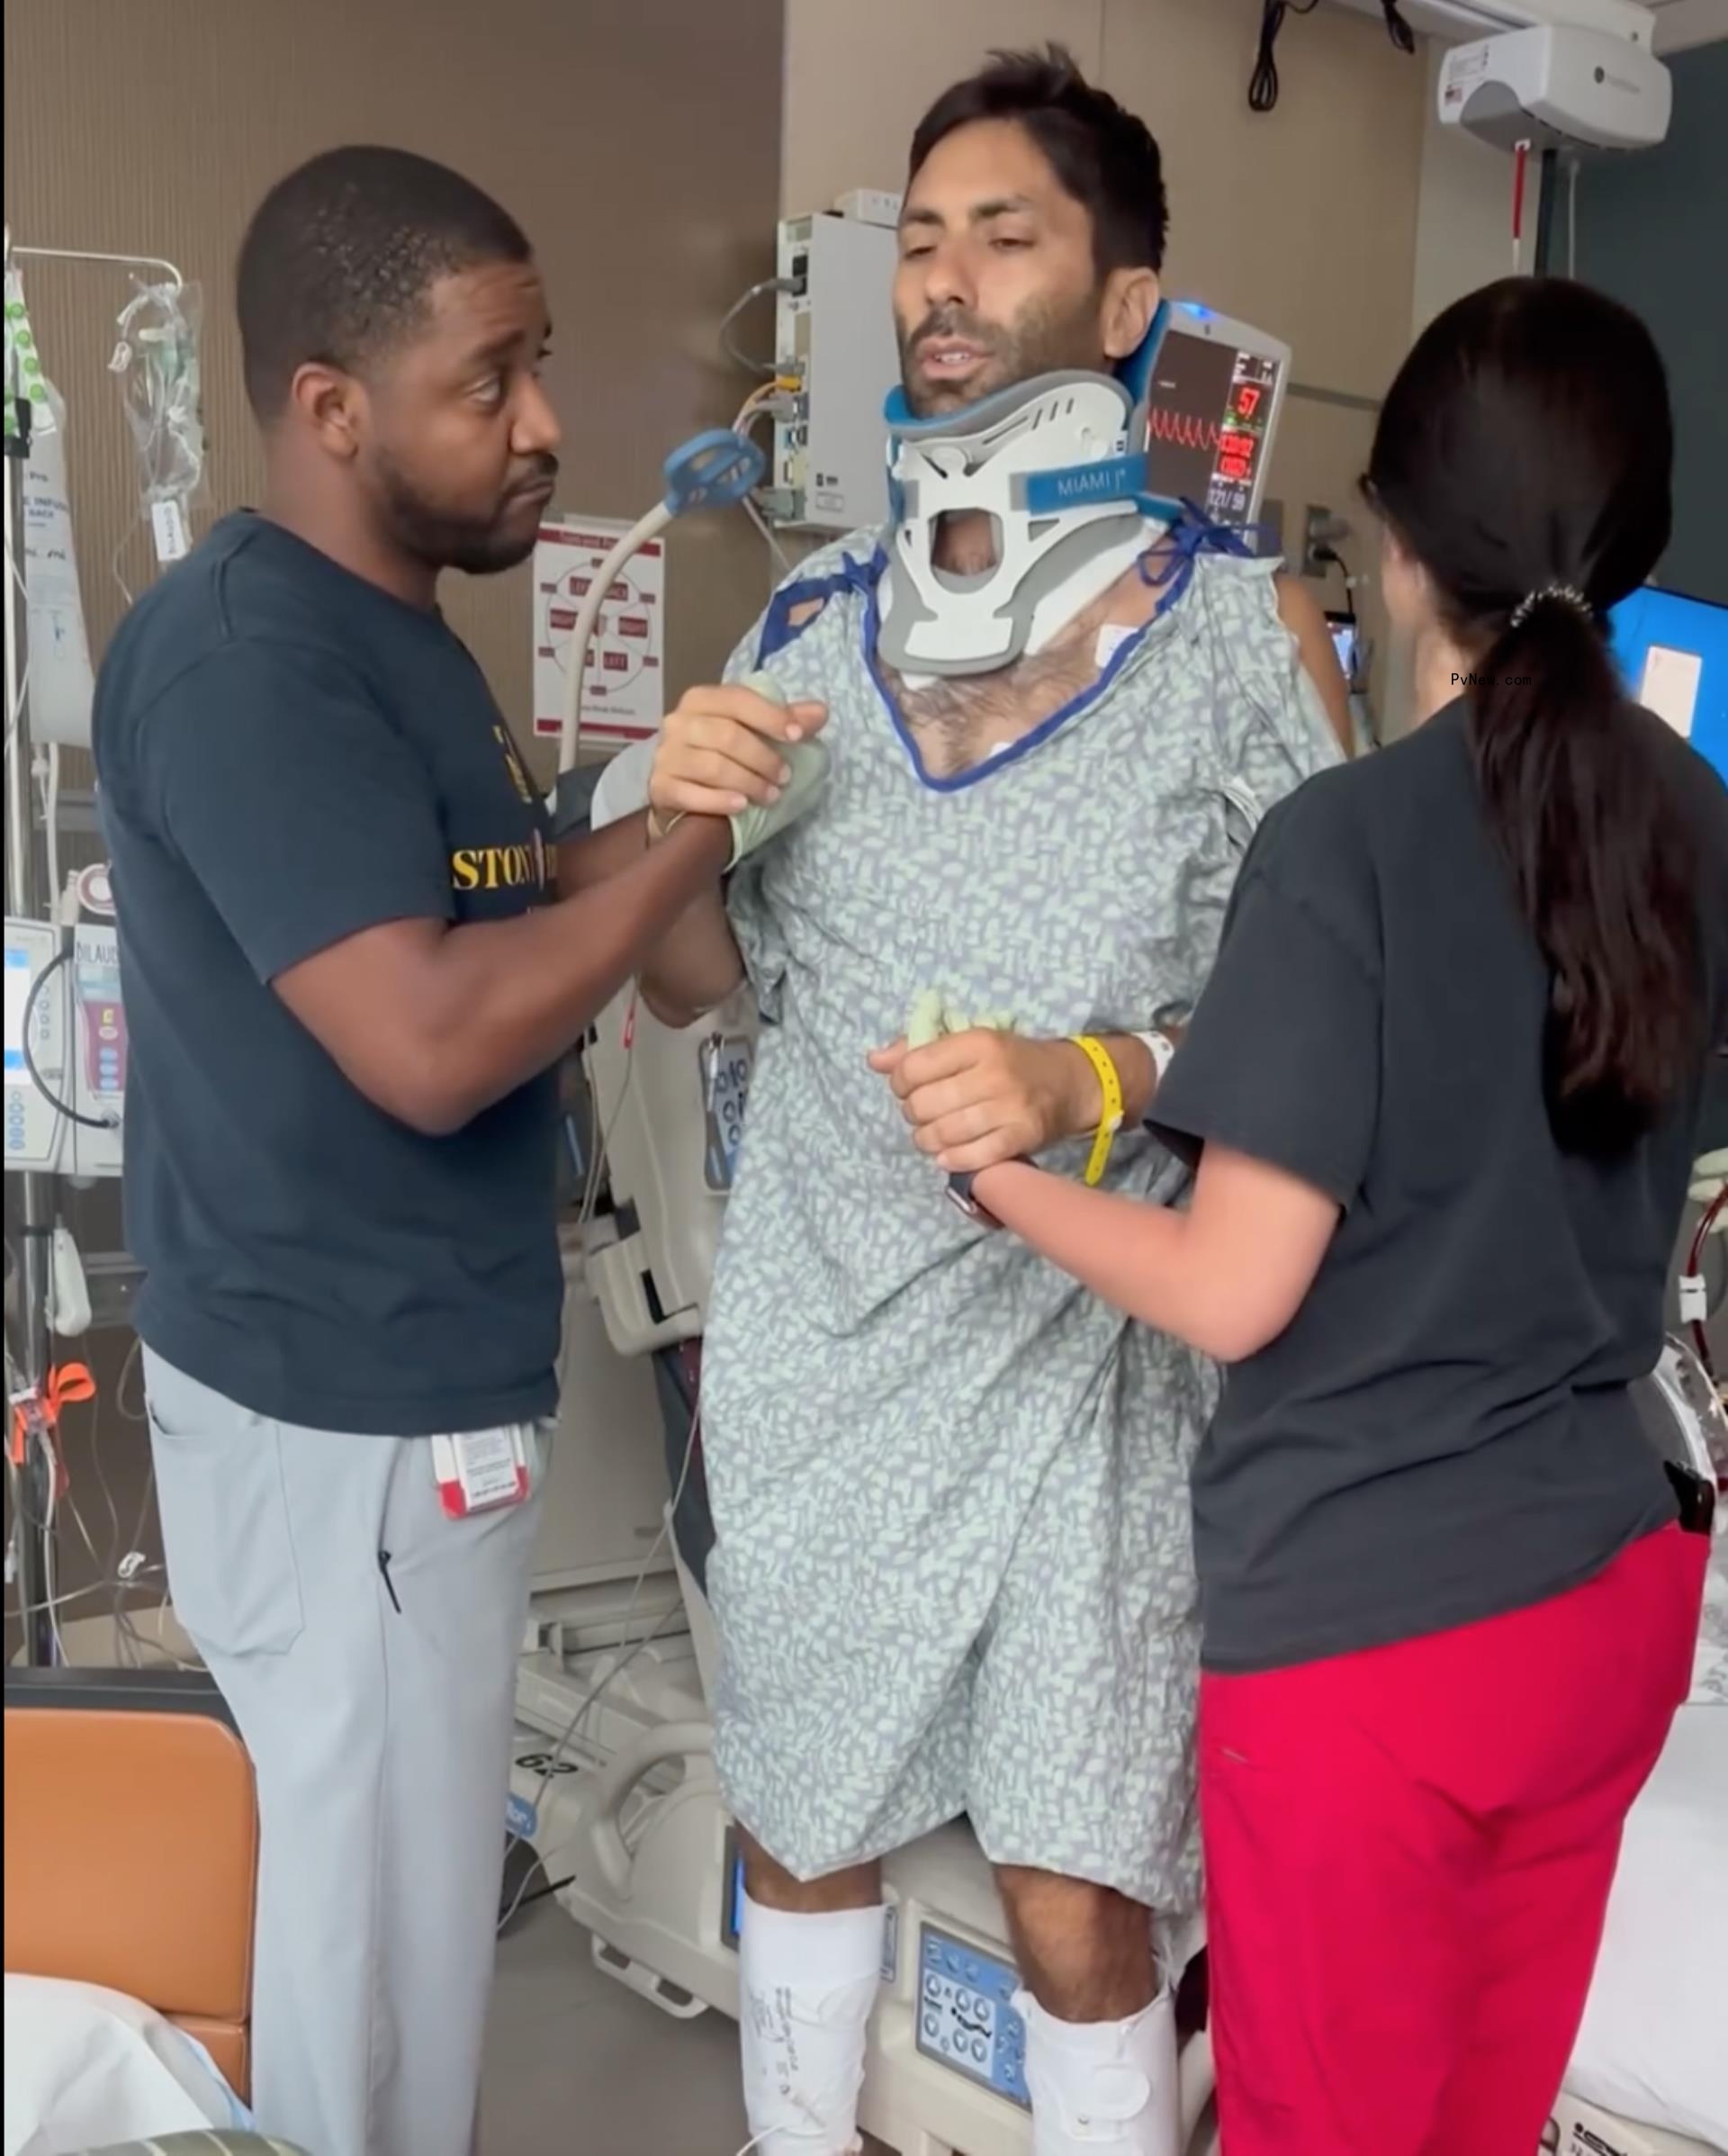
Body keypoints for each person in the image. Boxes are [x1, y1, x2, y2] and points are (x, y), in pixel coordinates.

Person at [919, 275, 1727, 2156]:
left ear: (1399, 545)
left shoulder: (1352, 844)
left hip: (1384, 1644)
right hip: (1608, 1601)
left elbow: (1231, 1287)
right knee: (1475, 2110)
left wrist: (1006, 1176)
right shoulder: (1697, 823)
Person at [639, 49, 1351, 2156]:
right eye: (921, 239)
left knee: (1075, 1898)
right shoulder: (808, 627)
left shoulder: (1240, 634)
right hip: (832, 1337)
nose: (941, 281)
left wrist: (1096, 1074)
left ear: (1128, 303)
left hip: (1093, 1358)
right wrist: (674, 833)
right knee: (809, 1825)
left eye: (1005, 235)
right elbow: (702, 989)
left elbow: (1338, 1013)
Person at [93, 147, 809, 2156]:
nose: (548, 426)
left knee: (391, 1921)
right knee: (372, 1963)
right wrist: (687, 833)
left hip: (408, 1392)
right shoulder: (254, 662)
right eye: (492, 382)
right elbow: (422, 1035)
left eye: (545, 365)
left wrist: (655, 795)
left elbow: (488, 902)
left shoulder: (396, 635)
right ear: (332, 408)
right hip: (350, 1413)